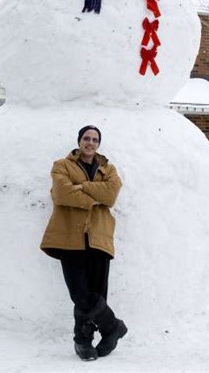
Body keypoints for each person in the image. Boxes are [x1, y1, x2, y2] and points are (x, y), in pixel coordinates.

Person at [40, 125, 127, 361]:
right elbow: (61, 194)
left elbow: (111, 195)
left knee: (97, 292)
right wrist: (95, 198)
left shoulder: (108, 168)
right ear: (79, 141)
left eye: (95, 139)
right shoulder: (62, 165)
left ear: (99, 143)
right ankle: (113, 327)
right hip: (70, 237)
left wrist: (83, 187)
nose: (90, 142)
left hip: (98, 235)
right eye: (86, 138)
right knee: (79, 291)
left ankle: (84, 340)